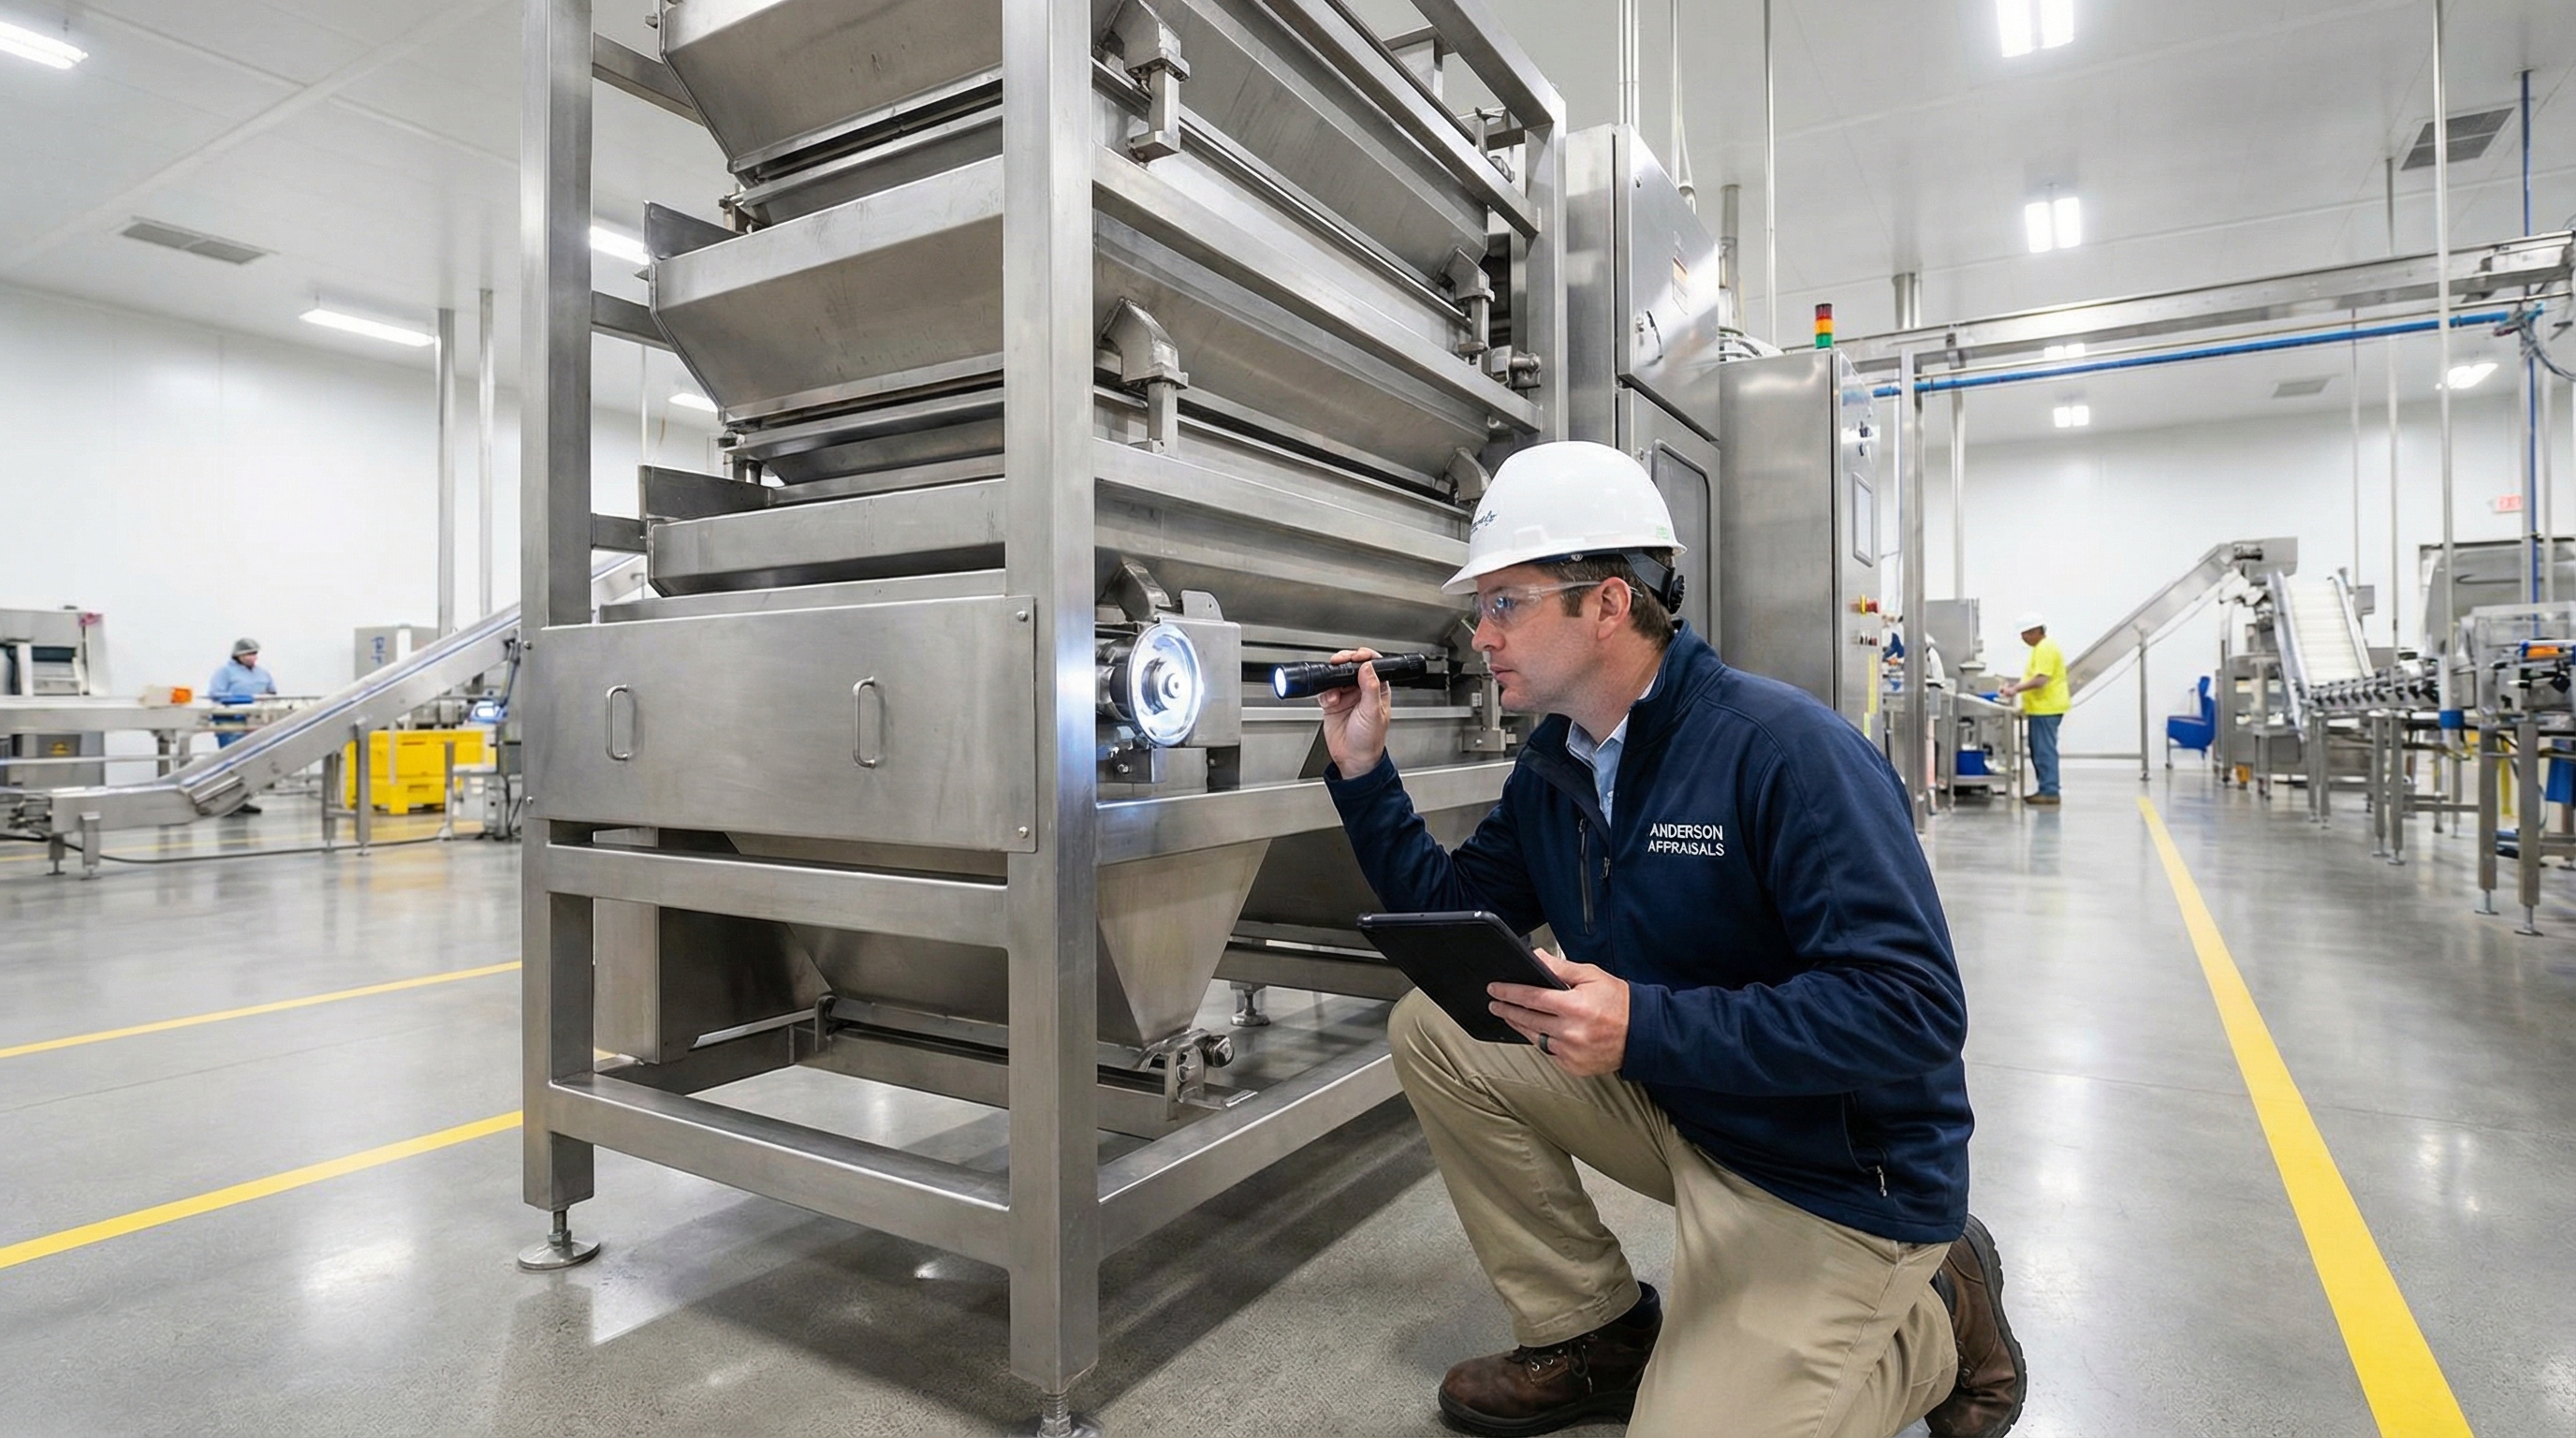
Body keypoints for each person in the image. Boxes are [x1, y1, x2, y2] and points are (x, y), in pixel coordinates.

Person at [1315, 441, 2026, 1438]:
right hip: (1691, 1111)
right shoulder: (1557, 766)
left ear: (1607, 604)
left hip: (1828, 1174)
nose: (1481, 636)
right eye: (1479, 609)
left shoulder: (1782, 754)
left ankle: (1938, 1321)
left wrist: (1643, 1025)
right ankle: (1593, 1333)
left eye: (1505, 603)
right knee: (1434, 1030)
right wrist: (1363, 775)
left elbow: (1911, 1012)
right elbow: (1458, 910)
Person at [1998, 614, 2067, 807]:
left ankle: (2050, 791)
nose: (2023, 639)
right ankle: (2046, 789)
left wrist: (2015, 690)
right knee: (2039, 750)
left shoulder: (2045, 648)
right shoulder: (2042, 648)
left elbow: (2041, 680)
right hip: (2042, 708)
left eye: (2025, 634)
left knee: (2044, 751)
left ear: (2036, 632)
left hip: (2046, 708)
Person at [207, 638, 277, 811]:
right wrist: (245, 699)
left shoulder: (262, 673)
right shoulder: (225, 672)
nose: (252, 657)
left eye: (254, 654)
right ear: (238, 655)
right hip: (230, 722)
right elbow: (216, 694)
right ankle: (227, 804)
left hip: (254, 722)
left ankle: (242, 801)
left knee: (249, 762)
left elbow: (272, 692)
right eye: (248, 654)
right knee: (232, 762)